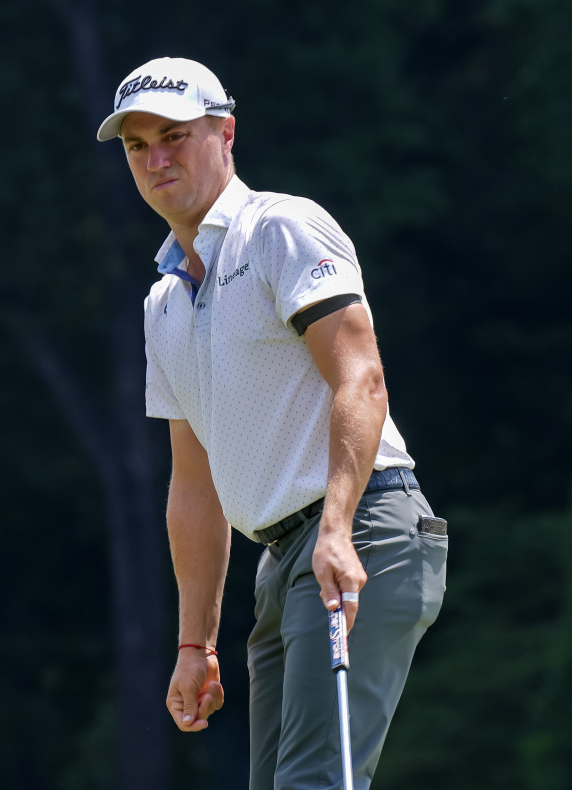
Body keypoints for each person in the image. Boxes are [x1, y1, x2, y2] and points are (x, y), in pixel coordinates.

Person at [95, 57, 449, 790]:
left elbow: (361, 377)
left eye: (175, 136)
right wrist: (196, 643)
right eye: (138, 146)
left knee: (314, 785)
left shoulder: (280, 230)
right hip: (282, 561)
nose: (157, 159)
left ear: (225, 133)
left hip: (366, 530)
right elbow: (194, 488)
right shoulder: (163, 306)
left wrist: (338, 530)